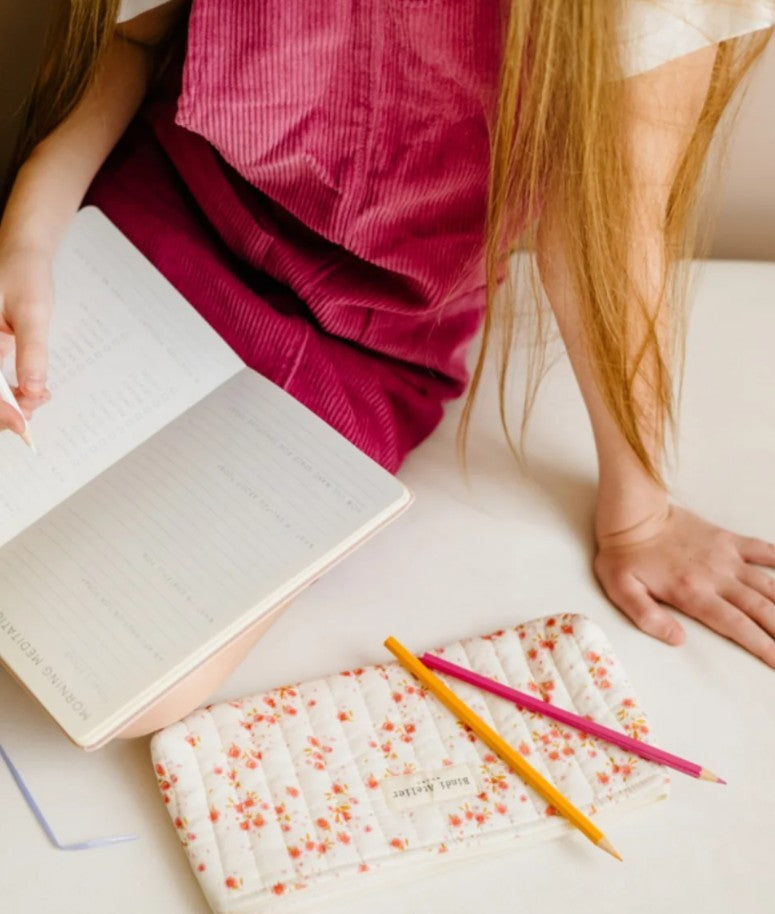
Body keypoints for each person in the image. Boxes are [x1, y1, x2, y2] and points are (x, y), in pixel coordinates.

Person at [1, 0, 774, 677]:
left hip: (371, 327)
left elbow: (609, 221)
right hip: (163, 210)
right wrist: (27, 242)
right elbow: (135, 41)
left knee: (133, 660)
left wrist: (638, 516)